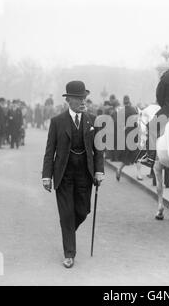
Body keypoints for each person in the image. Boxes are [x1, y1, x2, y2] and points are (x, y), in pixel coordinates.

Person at [42, 81, 104, 269]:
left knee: (83, 210)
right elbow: (49, 150)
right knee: (66, 214)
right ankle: (69, 253)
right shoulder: (57, 122)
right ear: (68, 100)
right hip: (63, 173)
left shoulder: (93, 121)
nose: (82, 101)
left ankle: (68, 231)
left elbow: (99, 150)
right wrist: (46, 175)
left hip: (85, 173)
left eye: (83, 98)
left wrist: (99, 171)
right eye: (78, 98)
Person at [115, 95, 143, 181]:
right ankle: (139, 174)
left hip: (126, 135)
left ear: (123, 102)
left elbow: (119, 125)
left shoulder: (121, 111)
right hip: (135, 134)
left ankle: (119, 169)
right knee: (138, 155)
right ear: (129, 101)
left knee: (127, 156)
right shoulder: (135, 109)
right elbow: (139, 121)